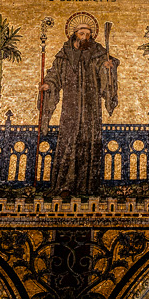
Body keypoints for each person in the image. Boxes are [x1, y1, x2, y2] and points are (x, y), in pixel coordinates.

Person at [40, 12, 118, 197]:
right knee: (68, 140)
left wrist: (108, 68)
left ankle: (87, 187)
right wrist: (48, 84)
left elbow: (107, 67)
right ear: (74, 34)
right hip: (71, 106)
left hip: (91, 107)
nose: (85, 37)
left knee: (89, 141)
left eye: (88, 34)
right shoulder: (64, 55)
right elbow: (54, 74)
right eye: (82, 33)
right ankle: (64, 186)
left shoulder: (97, 53)